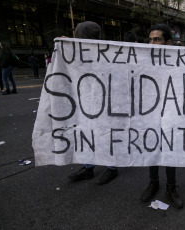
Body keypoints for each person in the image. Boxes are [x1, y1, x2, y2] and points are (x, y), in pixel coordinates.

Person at [68, 21, 119, 185]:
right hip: (85, 103)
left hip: (104, 104)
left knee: (105, 135)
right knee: (86, 134)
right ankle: (88, 167)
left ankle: (112, 168)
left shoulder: (107, 54)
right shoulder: (78, 52)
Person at [140, 24, 183, 209]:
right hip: (150, 114)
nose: (152, 43)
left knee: (170, 150)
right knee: (152, 147)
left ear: (168, 42)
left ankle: (171, 187)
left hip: (172, 113)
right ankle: (153, 182)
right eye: (150, 39)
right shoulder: (141, 59)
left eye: (156, 39)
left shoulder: (181, 61)